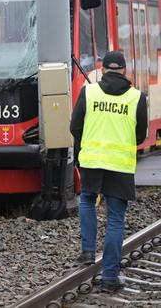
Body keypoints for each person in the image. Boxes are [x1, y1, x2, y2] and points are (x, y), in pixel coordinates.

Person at [70, 50, 148, 293]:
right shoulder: (137, 97)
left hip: (92, 162)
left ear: (102, 69)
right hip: (120, 167)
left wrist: (88, 145)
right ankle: (110, 278)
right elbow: (140, 135)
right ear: (124, 71)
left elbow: (75, 126)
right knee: (115, 219)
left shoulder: (89, 91)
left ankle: (87, 252)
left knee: (87, 201)